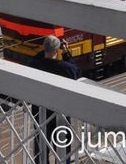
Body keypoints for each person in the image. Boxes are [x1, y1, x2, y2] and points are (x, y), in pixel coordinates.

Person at [30, 35, 81, 163]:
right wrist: (66, 53)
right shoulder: (65, 68)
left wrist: (46, 48)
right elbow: (77, 73)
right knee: (63, 154)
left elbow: (34, 59)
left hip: (40, 115)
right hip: (61, 116)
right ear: (56, 50)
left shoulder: (34, 65)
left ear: (44, 48)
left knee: (40, 154)